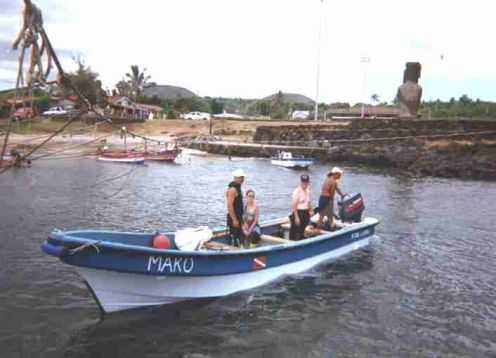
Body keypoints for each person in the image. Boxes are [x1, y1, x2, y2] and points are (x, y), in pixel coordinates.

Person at [289, 174, 313, 241]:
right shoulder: (297, 191)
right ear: (300, 182)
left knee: (302, 229)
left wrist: (311, 210)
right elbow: (294, 205)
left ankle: (301, 237)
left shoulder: (308, 191)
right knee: (296, 231)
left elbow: (308, 202)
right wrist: (296, 217)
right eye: (303, 182)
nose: (304, 183)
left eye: (306, 182)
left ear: (308, 182)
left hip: (305, 212)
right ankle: (294, 241)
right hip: (298, 213)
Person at [226, 169, 245, 246]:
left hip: (239, 216)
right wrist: (234, 220)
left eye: (243, 177)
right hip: (234, 218)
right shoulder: (232, 189)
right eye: (240, 177)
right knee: (235, 237)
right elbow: (229, 205)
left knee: (239, 236)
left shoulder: (238, 187)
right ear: (235, 178)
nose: (242, 179)